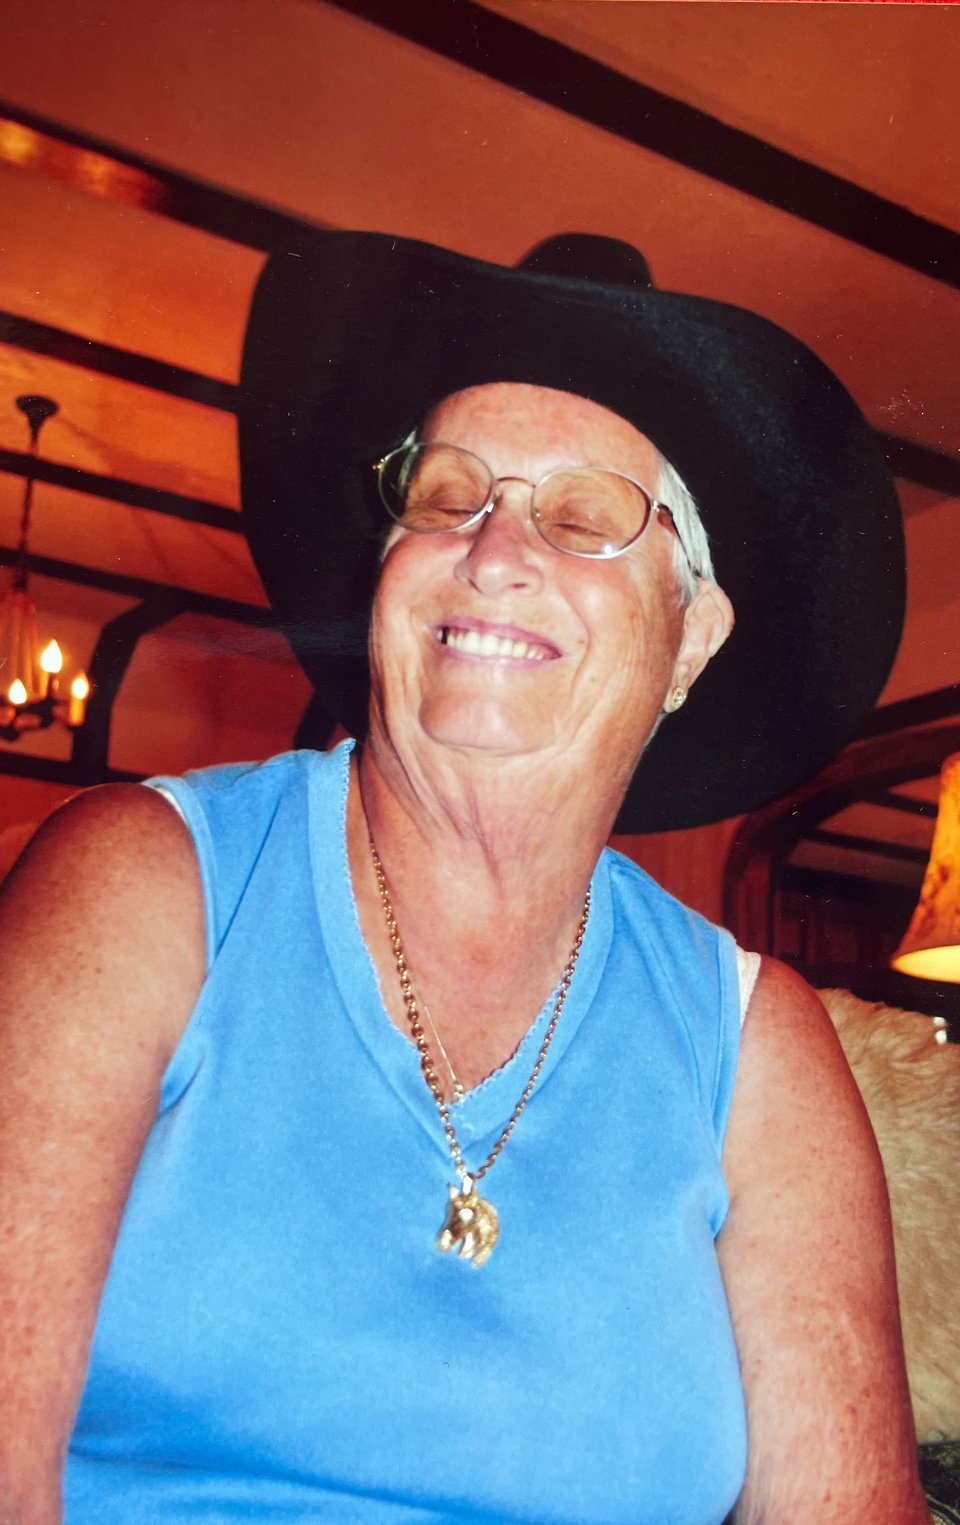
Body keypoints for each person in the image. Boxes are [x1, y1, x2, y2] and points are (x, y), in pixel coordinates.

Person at [0, 230, 928, 1524]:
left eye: (588, 513)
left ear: (689, 641)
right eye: (446, 493)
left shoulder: (755, 1045)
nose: (495, 550)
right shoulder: (146, 887)